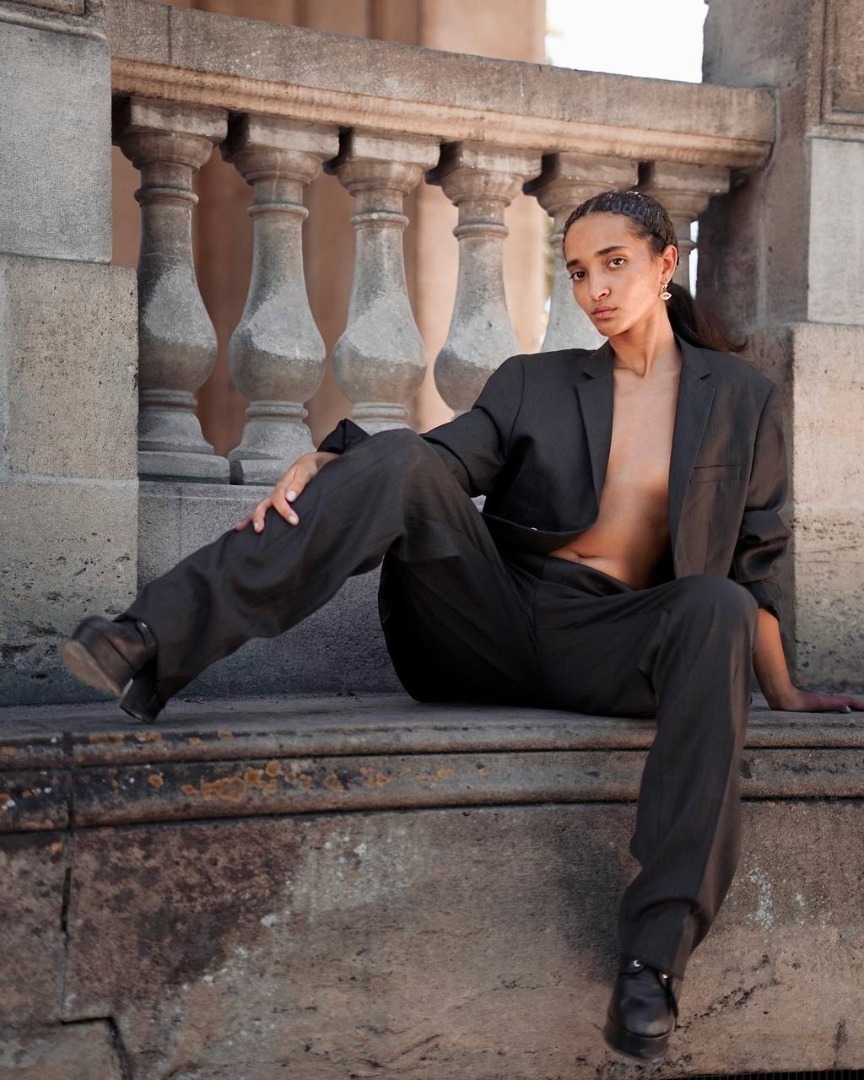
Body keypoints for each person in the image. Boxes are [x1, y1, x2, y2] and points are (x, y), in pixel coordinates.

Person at [62, 189, 864, 1062]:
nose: (595, 289)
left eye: (615, 264)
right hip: (491, 622)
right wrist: (331, 458)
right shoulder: (536, 382)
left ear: (667, 263)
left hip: (619, 643)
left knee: (715, 602)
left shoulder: (742, 398)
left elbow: (753, 561)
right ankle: (149, 637)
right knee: (401, 457)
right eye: (578, 272)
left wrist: (783, 689)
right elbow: (439, 462)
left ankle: (653, 962)